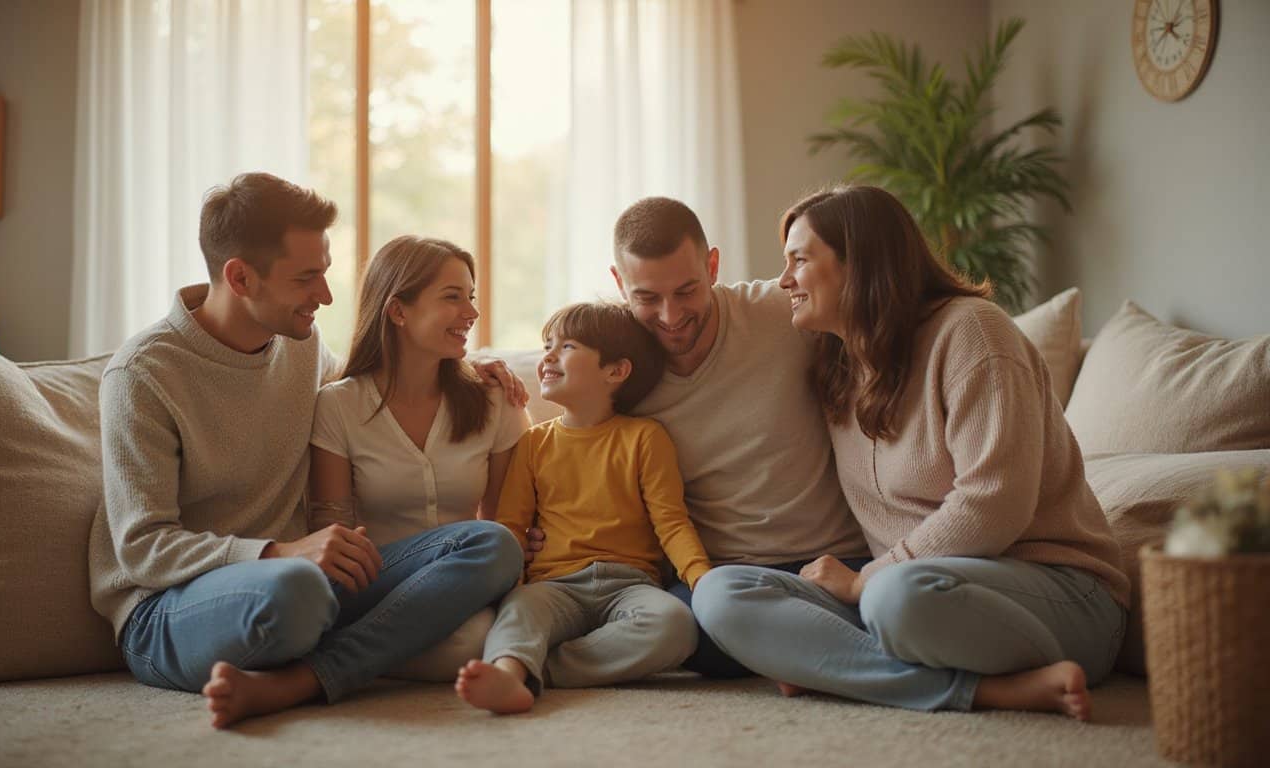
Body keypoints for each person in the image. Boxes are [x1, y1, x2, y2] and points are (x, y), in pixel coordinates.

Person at [88, 173, 525, 729]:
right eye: (307, 278)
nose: (326, 296)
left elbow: (375, 388)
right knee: (296, 592)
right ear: (240, 277)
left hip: (307, 585)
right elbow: (142, 549)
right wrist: (279, 552)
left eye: (325, 272)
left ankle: (303, 681)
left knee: (491, 544)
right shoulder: (144, 374)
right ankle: (333, 657)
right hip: (170, 610)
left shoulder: (300, 343)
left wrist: (467, 368)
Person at [692, 185, 1129, 720]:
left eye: (799, 261)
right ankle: (988, 690)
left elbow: (996, 504)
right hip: (914, 597)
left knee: (894, 598)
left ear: (861, 264)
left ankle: (840, 667)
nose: (784, 281)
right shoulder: (839, 362)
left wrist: (864, 580)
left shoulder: (972, 332)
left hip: (1060, 596)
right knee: (719, 593)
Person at [574, 196, 867, 678]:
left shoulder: (783, 312)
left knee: (890, 604)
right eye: (647, 297)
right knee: (681, 630)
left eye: (687, 290)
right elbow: (562, 420)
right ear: (618, 283)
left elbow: (883, 325)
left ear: (712, 265)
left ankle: (794, 652)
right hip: (721, 580)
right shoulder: (617, 366)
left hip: (833, 560)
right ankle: (808, 650)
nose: (670, 316)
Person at [455, 302, 711, 714]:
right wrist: (512, 588)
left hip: (630, 585)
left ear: (615, 371)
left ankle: (539, 669)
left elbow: (671, 522)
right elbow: (511, 527)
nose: (548, 357)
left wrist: (702, 579)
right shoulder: (533, 444)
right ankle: (509, 671)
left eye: (567, 346)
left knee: (675, 625)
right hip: (554, 585)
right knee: (520, 611)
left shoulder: (645, 437)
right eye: (546, 346)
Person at [307, 235, 531, 681]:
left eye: (471, 297)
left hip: (465, 585)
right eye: (453, 298)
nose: (472, 313)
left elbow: (508, 525)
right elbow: (332, 537)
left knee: (473, 633)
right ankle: (370, 652)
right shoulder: (338, 405)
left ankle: (323, 671)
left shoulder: (496, 401)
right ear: (398, 311)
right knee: (470, 630)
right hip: (371, 579)